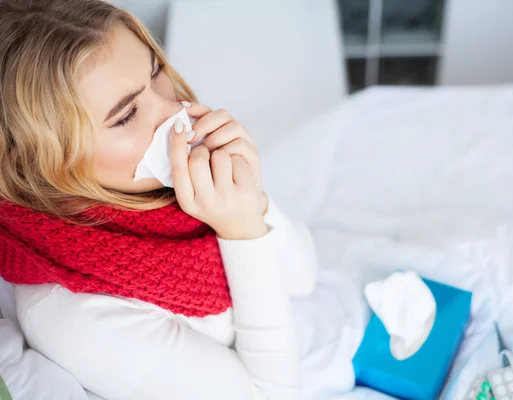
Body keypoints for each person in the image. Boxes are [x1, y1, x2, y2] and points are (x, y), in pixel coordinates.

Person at [0, 0, 320, 398]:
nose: (175, 112)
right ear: (39, 165)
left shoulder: (160, 189)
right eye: (125, 115)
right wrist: (241, 233)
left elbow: (304, 276)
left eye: (156, 73)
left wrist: (250, 197)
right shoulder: (75, 318)